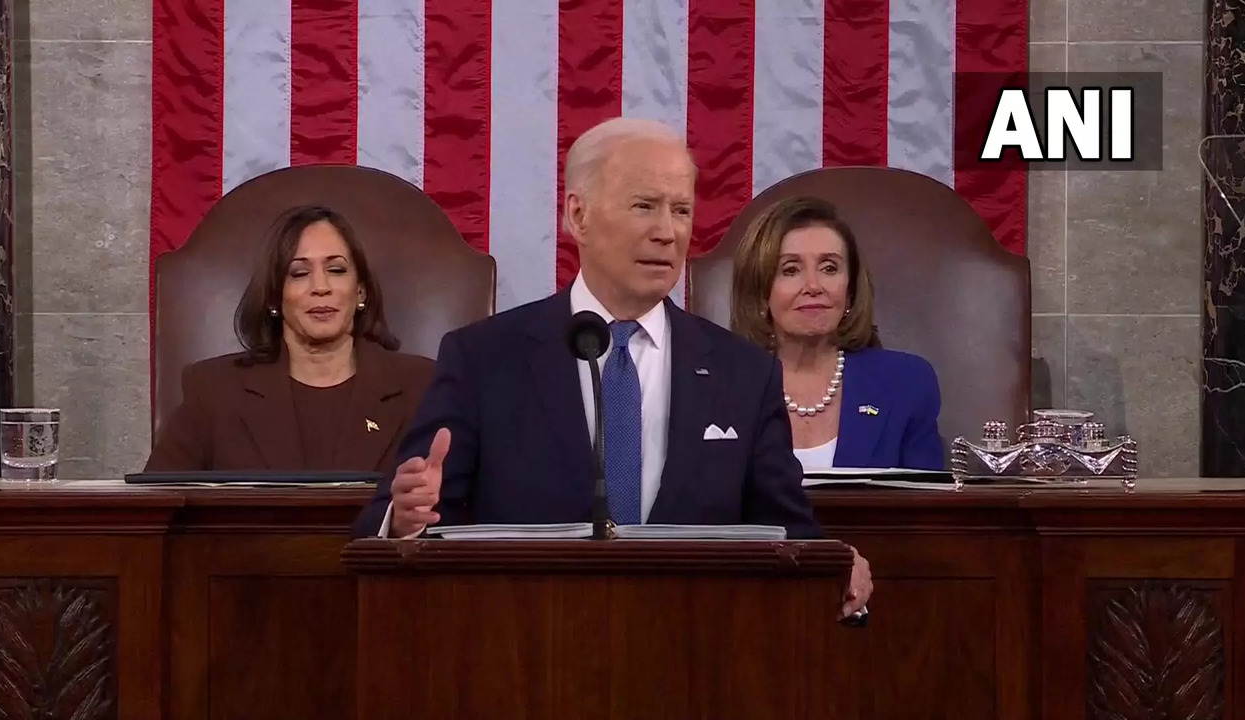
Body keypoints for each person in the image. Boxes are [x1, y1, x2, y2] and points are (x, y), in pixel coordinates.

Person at [352, 118, 871, 618]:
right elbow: (390, 517)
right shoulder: (485, 358)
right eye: (644, 206)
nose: (668, 233)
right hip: (525, 652)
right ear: (578, 216)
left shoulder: (743, 372)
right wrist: (403, 518)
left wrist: (834, 562)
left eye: (682, 211)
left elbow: (788, 527)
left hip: (698, 657)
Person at [144, 205, 435, 473]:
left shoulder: (422, 386)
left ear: (360, 292)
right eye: (298, 273)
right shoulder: (214, 391)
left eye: (336, 270)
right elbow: (158, 508)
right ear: (273, 297)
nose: (320, 287)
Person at [730, 196, 945, 471]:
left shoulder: (906, 383)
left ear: (850, 288)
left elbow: (930, 508)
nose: (813, 285)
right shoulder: (722, 386)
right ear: (760, 291)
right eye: (790, 270)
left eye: (829, 268)